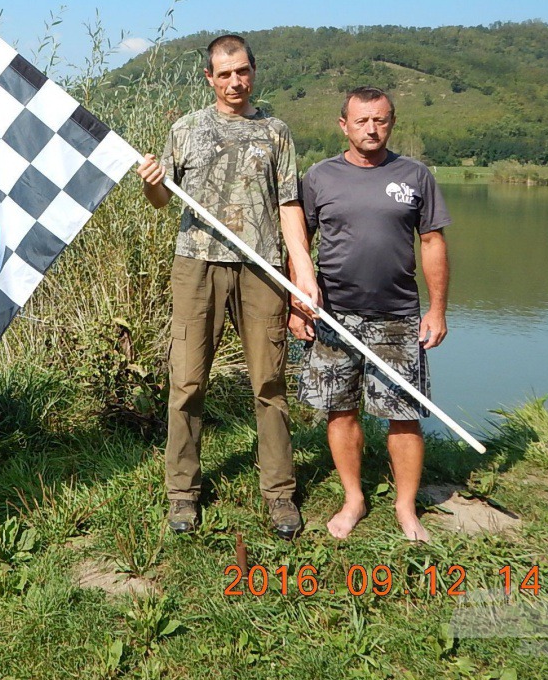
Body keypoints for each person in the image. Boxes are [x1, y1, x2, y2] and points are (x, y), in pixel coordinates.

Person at [136, 34, 320, 539]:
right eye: (224, 74)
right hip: (196, 267)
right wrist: (151, 179)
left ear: (253, 71)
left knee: (270, 383)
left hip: (262, 270)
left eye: (242, 71)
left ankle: (280, 495)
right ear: (209, 78)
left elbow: (288, 207)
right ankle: (183, 495)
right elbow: (159, 200)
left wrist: (302, 274)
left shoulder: (276, 132)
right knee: (188, 382)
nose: (235, 81)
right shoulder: (186, 129)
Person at [293, 86, 450, 542]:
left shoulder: (415, 175)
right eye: (361, 120)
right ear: (344, 125)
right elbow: (298, 246)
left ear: (392, 122)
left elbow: (433, 243)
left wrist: (437, 310)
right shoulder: (319, 177)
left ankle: (406, 507)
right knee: (340, 411)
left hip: (398, 315)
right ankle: (354, 498)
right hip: (333, 316)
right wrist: (297, 304)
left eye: (380, 120)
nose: (371, 128)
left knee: (403, 414)